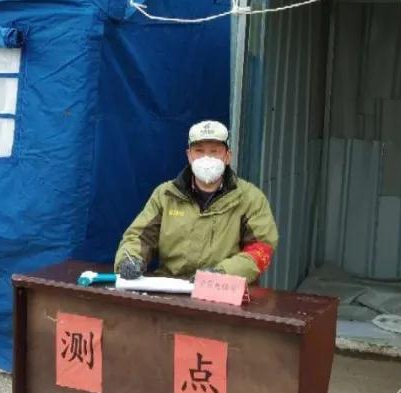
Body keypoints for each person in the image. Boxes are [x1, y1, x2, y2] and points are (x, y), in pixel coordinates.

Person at [114, 120, 278, 283]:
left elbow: (261, 247)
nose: (206, 158)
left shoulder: (250, 198)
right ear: (189, 156)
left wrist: (222, 273)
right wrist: (129, 259)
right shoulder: (165, 195)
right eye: (199, 151)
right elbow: (139, 237)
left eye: (214, 151)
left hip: (223, 289)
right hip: (171, 288)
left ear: (228, 156)